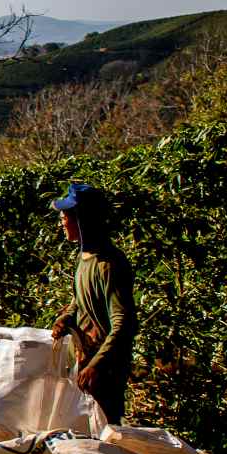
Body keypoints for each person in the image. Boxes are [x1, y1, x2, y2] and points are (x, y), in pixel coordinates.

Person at [47, 181, 135, 425]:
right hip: (85, 358)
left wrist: (97, 364)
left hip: (105, 367)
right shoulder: (84, 257)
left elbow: (123, 323)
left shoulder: (109, 265)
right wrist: (67, 316)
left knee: (106, 426)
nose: (61, 222)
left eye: (65, 216)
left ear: (82, 220)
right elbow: (80, 300)